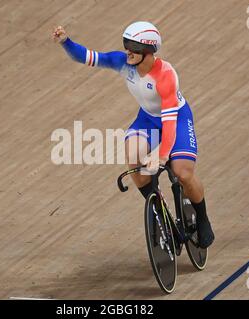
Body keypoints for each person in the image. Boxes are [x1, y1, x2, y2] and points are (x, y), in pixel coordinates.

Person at [52, 21, 214, 248]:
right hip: (147, 118)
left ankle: (203, 218)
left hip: (176, 119)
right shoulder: (123, 62)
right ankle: (161, 213)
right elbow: (87, 57)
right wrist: (66, 42)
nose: (127, 50)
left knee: (182, 172)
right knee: (134, 163)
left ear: (148, 51)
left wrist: (162, 154)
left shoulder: (165, 76)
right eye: (126, 44)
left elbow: (168, 124)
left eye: (133, 47)